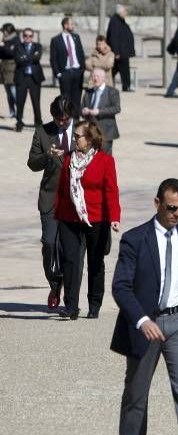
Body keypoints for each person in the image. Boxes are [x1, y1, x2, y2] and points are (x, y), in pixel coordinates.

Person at [111, 178, 178, 435]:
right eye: (171, 208)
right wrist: (142, 320)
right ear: (157, 204)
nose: (177, 214)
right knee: (136, 394)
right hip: (145, 326)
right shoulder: (134, 239)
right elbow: (120, 286)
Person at [54, 120, 121, 319]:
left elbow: (111, 191)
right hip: (69, 217)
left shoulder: (105, 161)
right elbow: (62, 189)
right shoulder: (69, 159)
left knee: (95, 261)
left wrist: (114, 217)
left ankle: (94, 303)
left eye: (77, 136)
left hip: (97, 218)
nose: (74, 139)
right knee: (71, 261)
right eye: (74, 136)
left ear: (90, 139)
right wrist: (57, 214)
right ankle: (71, 306)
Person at [27, 97, 74, 309]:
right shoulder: (43, 131)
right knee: (49, 243)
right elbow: (32, 163)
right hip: (50, 198)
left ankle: (70, 294)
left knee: (69, 249)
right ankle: (54, 283)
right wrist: (47, 155)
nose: (61, 123)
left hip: (75, 200)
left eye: (65, 120)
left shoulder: (82, 130)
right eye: (58, 119)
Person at [49, 16, 86, 118]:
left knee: (77, 100)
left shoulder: (76, 37)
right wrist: (58, 74)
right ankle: (67, 121)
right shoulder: (56, 40)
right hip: (65, 73)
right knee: (66, 100)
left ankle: (76, 123)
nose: (73, 26)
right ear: (65, 25)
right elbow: (53, 58)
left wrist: (82, 69)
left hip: (77, 72)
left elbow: (81, 53)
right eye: (71, 24)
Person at [81, 68, 121, 154]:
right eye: (93, 76)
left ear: (104, 78)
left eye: (98, 76)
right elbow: (81, 107)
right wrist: (83, 111)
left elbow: (117, 108)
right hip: (91, 130)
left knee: (105, 157)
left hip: (106, 130)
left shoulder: (112, 92)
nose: (95, 78)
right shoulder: (88, 92)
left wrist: (99, 112)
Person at [13, 27, 45, 131]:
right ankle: (19, 123)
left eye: (30, 35)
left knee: (36, 102)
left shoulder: (38, 46)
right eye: (25, 35)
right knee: (20, 102)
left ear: (33, 36)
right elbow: (18, 60)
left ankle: (38, 123)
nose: (28, 37)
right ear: (23, 36)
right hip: (21, 78)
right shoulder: (18, 46)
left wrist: (25, 57)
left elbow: (37, 58)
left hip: (34, 78)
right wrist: (30, 57)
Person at [106, 4, 136, 92]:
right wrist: (116, 52)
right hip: (120, 52)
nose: (126, 13)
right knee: (121, 69)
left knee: (118, 69)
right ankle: (125, 86)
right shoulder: (114, 21)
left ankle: (123, 86)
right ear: (120, 12)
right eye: (125, 11)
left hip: (123, 51)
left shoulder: (121, 21)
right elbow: (113, 37)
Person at [0, 22, 18, 118]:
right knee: (8, 92)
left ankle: (19, 111)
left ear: (8, 31)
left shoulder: (15, 40)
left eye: (4, 31)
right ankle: (12, 111)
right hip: (4, 69)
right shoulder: (5, 40)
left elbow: (11, 53)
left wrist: (3, 47)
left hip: (12, 68)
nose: (3, 33)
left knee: (13, 91)